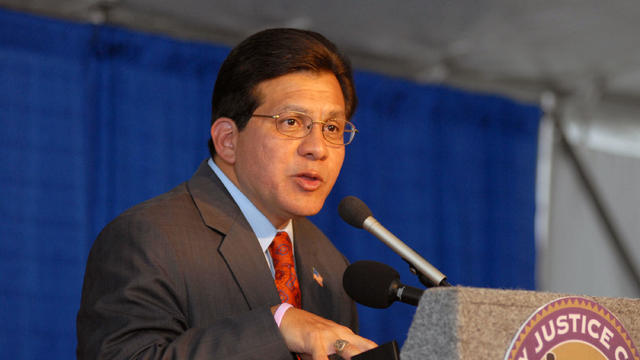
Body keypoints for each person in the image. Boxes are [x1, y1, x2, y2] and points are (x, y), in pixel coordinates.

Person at [76, 28, 377, 359]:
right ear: (228, 140)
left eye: (332, 128)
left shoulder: (330, 263)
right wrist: (275, 328)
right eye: (291, 122)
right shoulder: (148, 239)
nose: (318, 149)